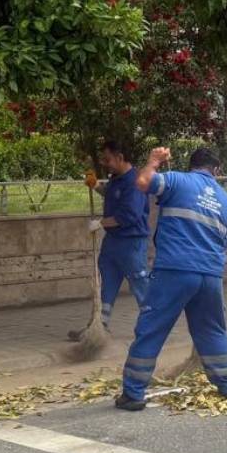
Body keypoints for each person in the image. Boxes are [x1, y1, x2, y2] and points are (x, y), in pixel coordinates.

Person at [116, 147, 227, 411]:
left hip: (175, 270)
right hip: (211, 275)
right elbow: (224, 243)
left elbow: (143, 182)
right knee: (212, 330)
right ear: (216, 170)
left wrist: (153, 161)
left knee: (152, 327)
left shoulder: (177, 180)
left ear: (191, 165)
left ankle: (133, 393)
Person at [71, 141, 151, 341]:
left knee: (140, 284)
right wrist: (96, 185)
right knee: (106, 283)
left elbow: (129, 215)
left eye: (107, 159)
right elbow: (113, 197)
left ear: (120, 157)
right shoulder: (117, 179)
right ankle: (99, 326)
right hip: (113, 242)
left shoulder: (135, 182)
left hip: (131, 243)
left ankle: (153, 326)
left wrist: (100, 223)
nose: (105, 163)